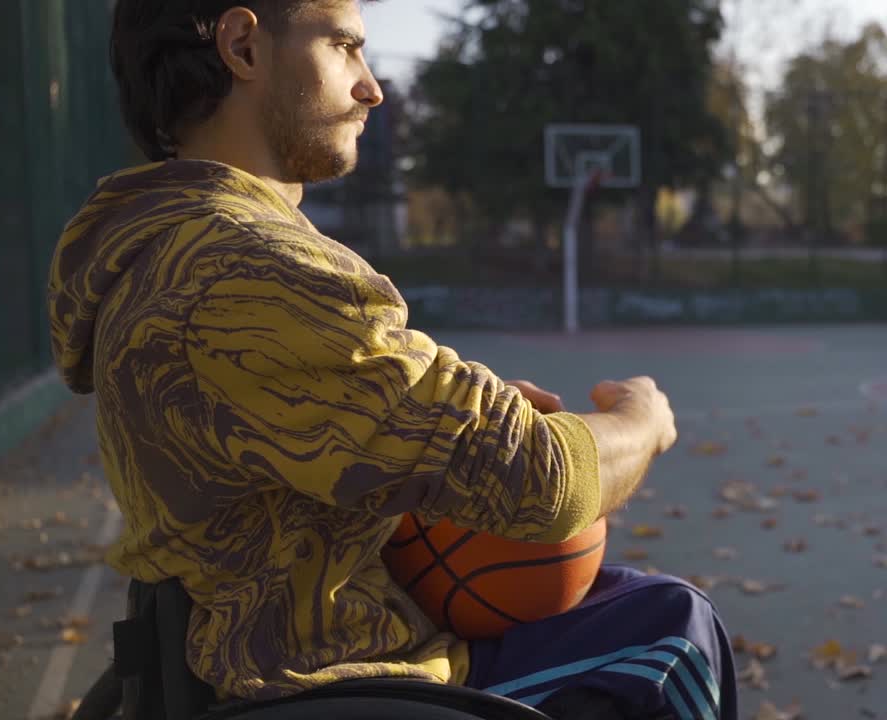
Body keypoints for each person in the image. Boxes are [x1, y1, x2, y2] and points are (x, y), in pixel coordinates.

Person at [46, 1, 736, 718]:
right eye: (345, 45)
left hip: (245, 657)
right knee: (671, 631)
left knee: (627, 601)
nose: (372, 86)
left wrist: (443, 421)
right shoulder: (247, 268)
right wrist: (642, 419)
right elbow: (542, 478)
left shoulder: (158, 247)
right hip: (333, 680)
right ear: (244, 46)